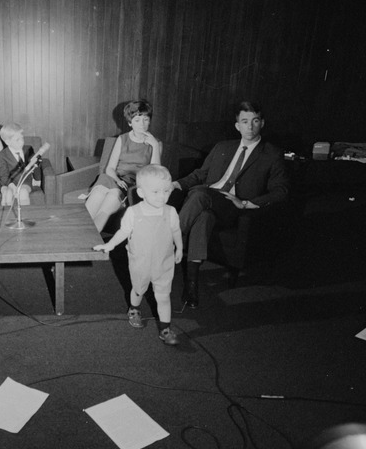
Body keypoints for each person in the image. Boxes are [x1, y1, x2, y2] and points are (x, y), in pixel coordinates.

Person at [172, 101, 289, 308]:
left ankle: (167, 240)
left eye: (255, 121)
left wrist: (246, 203)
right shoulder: (222, 147)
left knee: (199, 193)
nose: (250, 126)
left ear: (262, 123)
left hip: (233, 207)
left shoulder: (271, 153)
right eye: (245, 121)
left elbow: (281, 191)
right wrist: (176, 184)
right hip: (208, 202)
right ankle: (191, 286)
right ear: (237, 126)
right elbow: (201, 174)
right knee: (203, 218)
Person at [93, 165, 184, 346]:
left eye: (166, 191)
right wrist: (109, 244)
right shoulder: (133, 212)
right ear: (141, 193)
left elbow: (176, 231)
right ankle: (134, 308)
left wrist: (180, 248)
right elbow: (123, 232)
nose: (162, 196)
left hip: (163, 262)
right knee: (138, 290)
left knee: (163, 295)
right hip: (140, 262)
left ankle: (165, 329)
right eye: (156, 191)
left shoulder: (171, 211)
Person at [85, 100, 162, 233]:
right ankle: (79, 234)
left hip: (133, 183)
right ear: (130, 123)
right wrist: (117, 180)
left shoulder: (156, 143)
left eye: (145, 119)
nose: (142, 124)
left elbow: (155, 174)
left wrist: (154, 146)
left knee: (112, 197)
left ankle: (90, 240)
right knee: (98, 193)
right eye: (137, 120)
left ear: (150, 121)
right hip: (115, 178)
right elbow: (110, 168)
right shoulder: (122, 139)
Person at [0, 122, 37, 206]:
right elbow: (3, 174)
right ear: (8, 142)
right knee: (7, 194)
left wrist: (37, 178)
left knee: (23, 192)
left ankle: (23, 215)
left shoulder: (28, 149)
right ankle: (6, 216)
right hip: (9, 183)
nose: (21, 142)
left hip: (25, 182)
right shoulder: (2, 155)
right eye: (17, 140)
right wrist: (11, 185)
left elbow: (35, 167)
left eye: (22, 138)